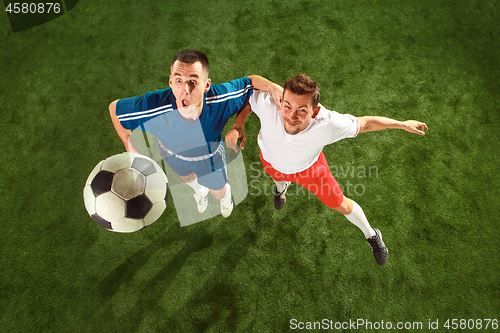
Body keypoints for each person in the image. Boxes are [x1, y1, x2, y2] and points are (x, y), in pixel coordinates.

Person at [227, 73, 428, 265]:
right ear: (281, 101)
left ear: (314, 111)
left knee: (341, 204)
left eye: (302, 110)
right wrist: (239, 125)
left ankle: (372, 234)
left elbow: (365, 124)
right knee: (277, 178)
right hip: (271, 161)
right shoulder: (270, 102)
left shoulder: (328, 123)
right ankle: (281, 190)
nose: (291, 116)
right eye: (287, 106)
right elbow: (248, 96)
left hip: (310, 170)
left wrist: (401, 124)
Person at [109, 49, 277, 218]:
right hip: (172, 154)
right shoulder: (154, 108)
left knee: (217, 192)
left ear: (206, 86)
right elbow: (115, 109)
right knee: (187, 178)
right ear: (170, 82)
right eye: (179, 80)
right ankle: (200, 191)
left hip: (210, 157)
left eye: (193, 82)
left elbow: (250, 84)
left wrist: (273, 90)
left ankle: (226, 196)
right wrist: (130, 146)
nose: (185, 89)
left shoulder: (220, 99)